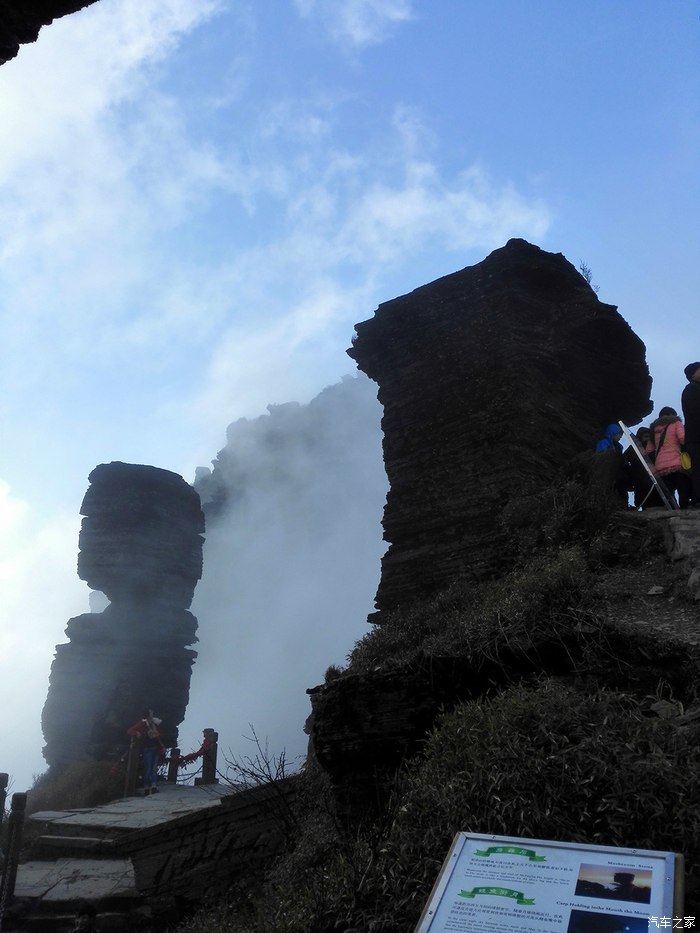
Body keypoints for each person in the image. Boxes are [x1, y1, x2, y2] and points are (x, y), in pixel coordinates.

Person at [645, 406, 690, 509]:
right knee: (683, 488)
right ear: (673, 414)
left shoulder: (654, 429)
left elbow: (649, 450)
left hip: (660, 466)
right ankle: (684, 509)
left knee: (668, 490)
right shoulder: (676, 423)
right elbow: (683, 439)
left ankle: (669, 509)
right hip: (676, 463)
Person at [127, 708, 163, 795]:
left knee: (153, 768)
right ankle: (146, 787)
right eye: (151, 712)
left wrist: (161, 745)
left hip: (155, 747)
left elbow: (158, 736)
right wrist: (137, 733)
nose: (152, 713)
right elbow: (130, 730)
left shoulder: (155, 723)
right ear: (148, 714)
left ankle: (153, 787)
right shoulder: (143, 723)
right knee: (148, 768)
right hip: (147, 748)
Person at [624, 427, 662, 509]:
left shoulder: (653, 448)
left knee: (658, 501)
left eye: (649, 437)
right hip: (640, 481)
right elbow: (625, 461)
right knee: (644, 502)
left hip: (654, 479)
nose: (647, 439)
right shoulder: (633, 448)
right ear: (640, 437)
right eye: (645, 437)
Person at [594, 423, 631, 503]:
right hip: (608, 473)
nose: (620, 437)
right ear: (612, 433)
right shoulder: (603, 443)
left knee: (621, 492)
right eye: (619, 434)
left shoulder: (619, 446)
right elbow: (602, 458)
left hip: (619, 474)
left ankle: (623, 505)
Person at [682, 361, 700, 507]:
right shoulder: (691, 390)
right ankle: (698, 499)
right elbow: (696, 413)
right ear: (692, 374)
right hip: (696, 438)